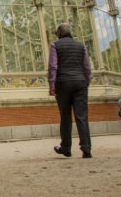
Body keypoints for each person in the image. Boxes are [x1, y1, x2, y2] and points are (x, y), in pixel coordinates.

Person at [48, 23, 92, 158]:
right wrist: (86, 82)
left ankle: (66, 148)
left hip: (63, 83)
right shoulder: (81, 45)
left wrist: (51, 84)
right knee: (82, 117)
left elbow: (53, 66)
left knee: (65, 117)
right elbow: (87, 67)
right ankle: (86, 149)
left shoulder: (55, 45)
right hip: (80, 83)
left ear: (59, 33)